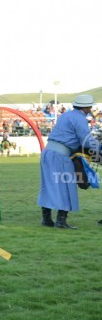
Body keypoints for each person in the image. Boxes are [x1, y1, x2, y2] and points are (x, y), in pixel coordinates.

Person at [38, 93, 101, 229]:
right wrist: (99, 147)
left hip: (47, 152)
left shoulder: (66, 115)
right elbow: (86, 141)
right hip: (60, 155)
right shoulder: (80, 118)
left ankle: (46, 219)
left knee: (48, 186)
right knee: (66, 186)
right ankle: (61, 222)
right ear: (87, 107)